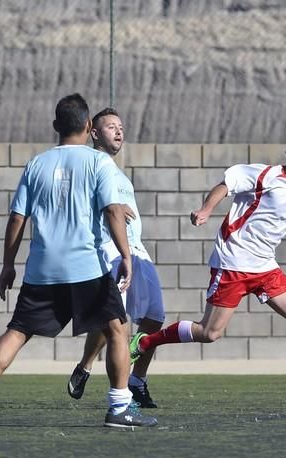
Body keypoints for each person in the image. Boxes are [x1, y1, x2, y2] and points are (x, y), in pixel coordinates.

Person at [0, 94, 157, 430]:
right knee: (117, 329)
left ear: (56, 127)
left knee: (17, 331)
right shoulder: (99, 164)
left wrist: (8, 265)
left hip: (42, 270)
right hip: (87, 268)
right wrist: (126, 256)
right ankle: (120, 408)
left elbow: (17, 219)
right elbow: (112, 211)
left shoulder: (36, 164)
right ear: (89, 126)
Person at [129, 127, 286, 410]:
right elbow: (226, 185)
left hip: (265, 267)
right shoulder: (265, 174)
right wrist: (206, 210)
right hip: (233, 262)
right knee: (209, 333)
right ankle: (146, 342)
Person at [67, 108, 165, 408]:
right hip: (110, 250)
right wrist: (111, 210)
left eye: (121, 127)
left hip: (137, 250)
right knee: (117, 323)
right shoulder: (89, 165)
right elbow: (80, 203)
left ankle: (136, 380)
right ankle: (110, 389)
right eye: (111, 127)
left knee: (154, 319)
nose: (119, 131)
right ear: (94, 132)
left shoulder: (117, 171)